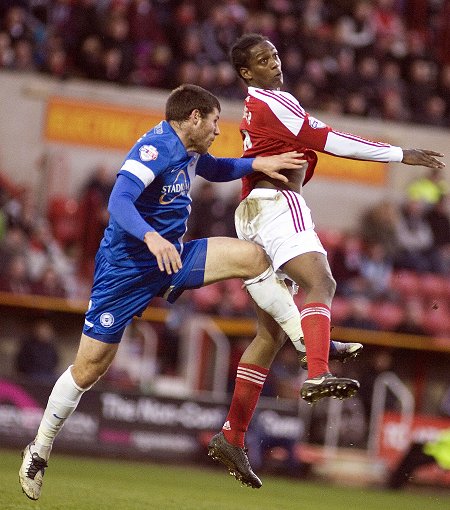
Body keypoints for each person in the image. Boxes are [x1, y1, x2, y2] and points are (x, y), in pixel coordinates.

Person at [19, 83, 310, 500]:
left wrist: (258, 162)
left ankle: (304, 340)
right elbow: (119, 201)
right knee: (89, 370)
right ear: (193, 118)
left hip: (174, 258)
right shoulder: (154, 148)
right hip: (127, 271)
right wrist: (151, 236)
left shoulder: (190, 150)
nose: (216, 130)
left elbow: (214, 168)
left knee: (254, 258)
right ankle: (40, 448)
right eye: (212, 122)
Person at [207, 33, 446, 488]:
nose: (274, 62)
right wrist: (401, 154)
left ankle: (232, 435)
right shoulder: (275, 102)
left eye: (275, 53)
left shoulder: (263, 105)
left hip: (251, 212)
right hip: (278, 205)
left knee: (268, 333)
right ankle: (317, 371)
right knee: (323, 285)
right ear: (246, 74)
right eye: (263, 59)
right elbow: (332, 140)